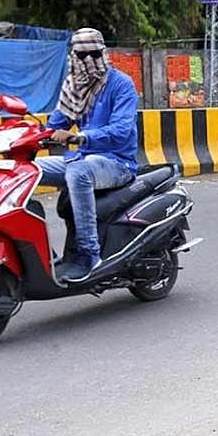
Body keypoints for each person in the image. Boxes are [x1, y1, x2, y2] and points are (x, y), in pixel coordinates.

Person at [35, 28, 139, 282]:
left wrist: (78, 137)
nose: (88, 61)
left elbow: (121, 131)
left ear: (103, 53)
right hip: (82, 158)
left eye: (93, 54)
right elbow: (54, 125)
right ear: (74, 56)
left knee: (78, 173)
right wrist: (27, 137)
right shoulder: (74, 88)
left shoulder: (121, 85)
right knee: (30, 170)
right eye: (81, 55)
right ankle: (37, 252)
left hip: (117, 162)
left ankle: (89, 255)